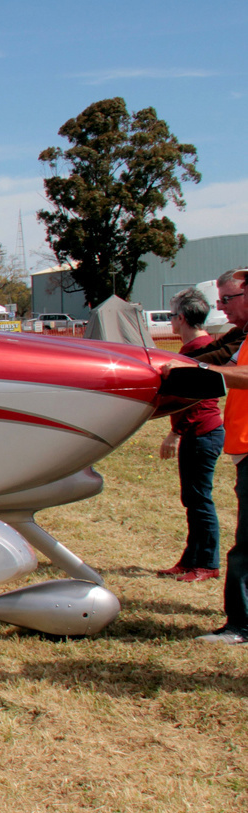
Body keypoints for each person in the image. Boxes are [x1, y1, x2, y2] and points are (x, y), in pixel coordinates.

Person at [187, 268, 248, 642]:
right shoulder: (242, 335)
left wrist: (199, 369)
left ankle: (241, 625)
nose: (222, 307)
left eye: (228, 299)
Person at [157, 290, 223, 582]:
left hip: (202, 432)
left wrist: (174, 433)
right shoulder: (197, 347)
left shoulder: (199, 349)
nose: (171, 321)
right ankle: (191, 558)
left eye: (171, 316)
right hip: (200, 432)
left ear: (181, 318)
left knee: (199, 500)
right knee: (193, 498)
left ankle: (207, 563)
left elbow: (198, 400)